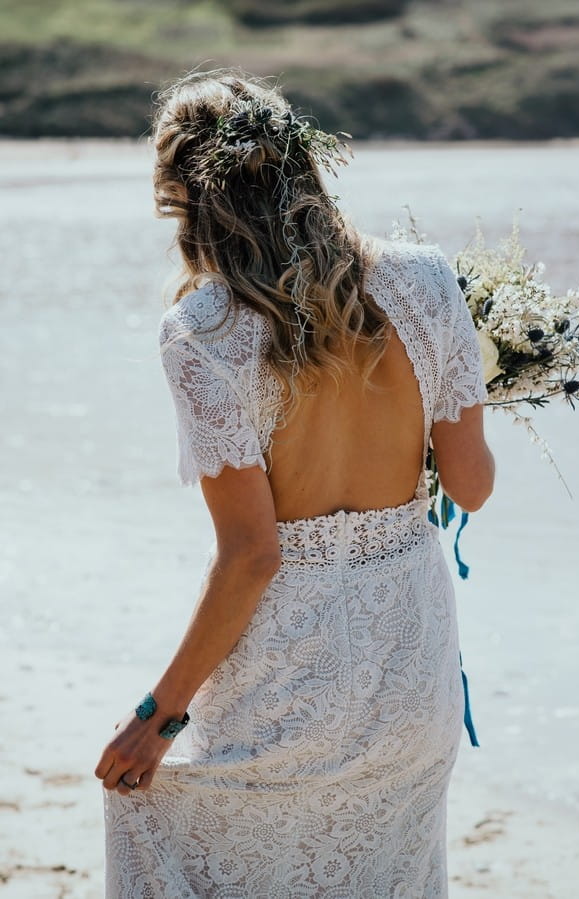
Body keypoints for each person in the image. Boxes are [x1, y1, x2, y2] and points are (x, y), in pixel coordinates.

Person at [95, 67, 494, 898]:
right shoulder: (426, 282)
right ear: (303, 166)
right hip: (409, 663)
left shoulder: (201, 332)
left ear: (187, 201)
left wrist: (155, 717)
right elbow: (473, 484)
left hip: (289, 675)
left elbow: (251, 555)